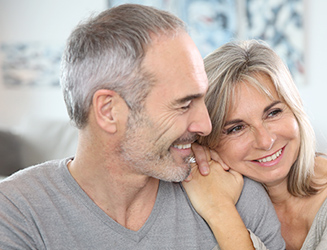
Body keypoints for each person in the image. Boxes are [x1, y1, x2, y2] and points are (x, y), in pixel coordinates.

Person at [0, 5, 286, 250]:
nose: (205, 125)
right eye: (184, 105)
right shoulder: (17, 213)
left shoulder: (235, 197)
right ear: (108, 111)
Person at [183, 40, 327, 250]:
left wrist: (220, 212)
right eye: (236, 128)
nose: (265, 141)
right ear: (207, 140)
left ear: (295, 109)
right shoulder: (200, 189)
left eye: (273, 113)